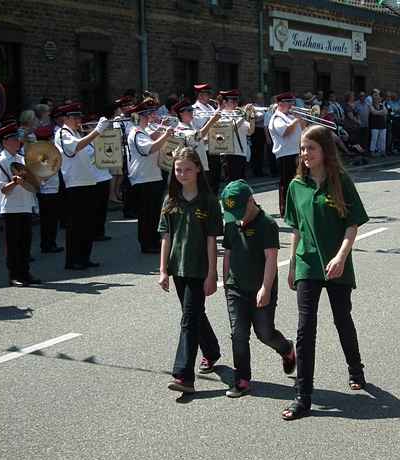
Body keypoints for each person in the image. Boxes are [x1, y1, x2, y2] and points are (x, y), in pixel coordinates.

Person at [281, 125, 369, 421]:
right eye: (302, 149)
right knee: (305, 329)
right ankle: (303, 397)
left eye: (311, 148)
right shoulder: (296, 186)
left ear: (325, 151)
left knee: (342, 318)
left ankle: (356, 369)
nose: (305, 154)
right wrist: (292, 263)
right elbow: (296, 228)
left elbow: (352, 224)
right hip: (307, 262)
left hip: (336, 263)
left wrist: (341, 256)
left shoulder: (340, 181)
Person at [219, 179, 296, 397]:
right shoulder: (231, 223)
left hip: (261, 287)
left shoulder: (267, 224)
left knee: (264, 333)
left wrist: (265, 288)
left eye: (241, 211)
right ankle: (242, 379)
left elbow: (271, 259)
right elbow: (228, 253)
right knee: (238, 334)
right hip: (235, 288)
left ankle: (286, 348)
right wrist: (226, 282)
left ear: (252, 201)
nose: (238, 217)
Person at [157, 147, 222, 393]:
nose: (182, 174)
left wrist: (212, 274)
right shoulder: (170, 200)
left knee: (188, 320)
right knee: (193, 314)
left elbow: (211, 240)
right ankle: (212, 350)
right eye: (177, 169)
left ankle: (184, 376)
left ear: (198, 170)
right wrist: (163, 270)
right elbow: (166, 236)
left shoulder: (208, 201)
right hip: (178, 268)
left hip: (199, 268)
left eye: (187, 169)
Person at [54, 102, 110, 269]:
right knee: (76, 225)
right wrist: (97, 131)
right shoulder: (63, 133)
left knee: (87, 223)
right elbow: (76, 147)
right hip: (75, 184)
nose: (79, 119)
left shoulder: (77, 132)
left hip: (88, 181)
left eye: (79, 116)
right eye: (76, 117)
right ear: (67, 118)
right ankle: (73, 260)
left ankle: (84, 257)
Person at [0, 122, 41, 287]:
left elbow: (33, 182)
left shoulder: (21, 158)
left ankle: (25, 272)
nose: (16, 142)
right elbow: (3, 189)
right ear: (5, 142)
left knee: (26, 242)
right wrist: (14, 182)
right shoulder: (1, 160)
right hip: (11, 207)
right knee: (13, 244)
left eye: (17, 139)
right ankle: (14, 275)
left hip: (26, 204)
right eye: (12, 139)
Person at [125, 98, 172, 253]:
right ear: (139, 116)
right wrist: (165, 135)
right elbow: (149, 148)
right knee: (147, 214)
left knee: (153, 213)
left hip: (152, 176)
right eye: (146, 115)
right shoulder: (136, 132)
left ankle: (153, 241)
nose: (150, 117)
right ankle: (147, 243)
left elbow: (152, 137)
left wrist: (163, 128)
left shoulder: (143, 131)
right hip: (144, 178)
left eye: (150, 114)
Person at [268, 92, 303, 217]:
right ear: (280, 104)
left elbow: (303, 129)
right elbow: (286, 132)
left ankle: (295, 207)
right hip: (285, 154)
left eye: (291, 102)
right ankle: (285, 209)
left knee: (297, 181)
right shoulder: (277, 117)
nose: (291, 105)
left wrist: (301, 119)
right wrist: (296, 120)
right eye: (289, 103)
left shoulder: (290, 116)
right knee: (286, 182)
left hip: (296, 152)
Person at [173, 99, 221, 179]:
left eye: (192, 110)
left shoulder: (192, 127)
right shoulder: (181, 129)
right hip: (192, 169)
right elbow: (198, 136)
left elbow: (197, 141)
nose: (192, 112)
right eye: (189, 110)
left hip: (199, 167)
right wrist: (212, 121)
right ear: (181, 113)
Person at [34, 126, 63, 253]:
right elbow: (43, 174)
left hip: (52, 189)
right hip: (46, 191)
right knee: (48, 221)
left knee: (51, 220)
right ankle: (47, 244)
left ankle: (50, 243)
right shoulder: (41, 154)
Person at [217, 90, 254, 182]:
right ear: (224, 102)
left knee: (241, 184)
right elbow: (229, 130)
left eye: (236, 101)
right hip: (228, 154)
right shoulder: (221, 115)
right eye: (232, 101)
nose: (235, 104)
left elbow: (250, 132)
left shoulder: (238, 114)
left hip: (241, 153)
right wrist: (243, 116)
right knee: (231, 185)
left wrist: (252, 117)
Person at [192, 83, 221, 194]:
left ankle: (214, 204)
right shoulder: (195, 110)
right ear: (200, 95)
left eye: (209, 93)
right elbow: (199, 130)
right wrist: (212, 119)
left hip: (215, 146)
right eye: (206, 94)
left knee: (216, 179)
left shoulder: (210, 107)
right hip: (204, 148)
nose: (209, 96)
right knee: (207, 180)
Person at [251, 92, 267, 177]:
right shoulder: (254, 107)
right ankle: (257, 171)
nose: (261, 100)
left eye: (262, 98)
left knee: (260, 152)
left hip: (261, 131)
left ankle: (260, 170)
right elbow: (254, 119)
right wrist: (264, 117)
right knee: (257, 152)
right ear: (256, 99)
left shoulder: (262, 106)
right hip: (256, 131)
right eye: (259, 98)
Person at [369, 91, 388, 157]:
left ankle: (383, 151)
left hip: (382, 124)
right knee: (374, 138)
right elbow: (374, 112)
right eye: (375, 95)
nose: (377, 97)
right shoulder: (371, 105)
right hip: (374, 125)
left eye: (378, 95)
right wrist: (380, 112)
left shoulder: (382, 105)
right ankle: (372, 151)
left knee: (382, 139)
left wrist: (379, 112)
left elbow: (385, 112)